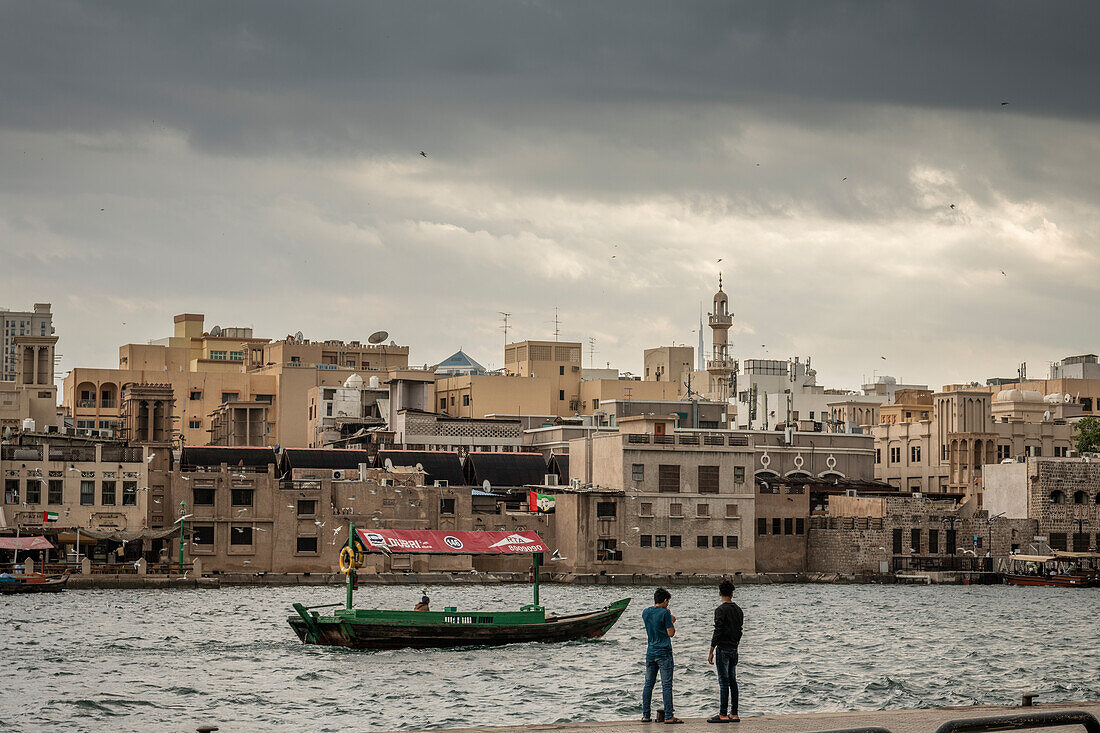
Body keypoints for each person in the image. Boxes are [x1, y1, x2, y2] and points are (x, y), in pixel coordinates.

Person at [641, 587, 682, 724]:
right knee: (666, 685)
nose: (668, 604)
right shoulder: (665, 613)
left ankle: (646, 715)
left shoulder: (645, 612)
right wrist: (671, 621)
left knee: (648, 684)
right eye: (668, 602)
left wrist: (668, 618)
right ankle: (669, 716)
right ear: (665, 600)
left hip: (650, 651)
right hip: (664, 652)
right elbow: (670, 633)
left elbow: (655, 625)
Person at [707, 579, 744, 723]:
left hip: (723, 649)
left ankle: (722, 713)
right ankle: (734, 713)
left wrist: (711, 650)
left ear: (719, 593)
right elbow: (739, 631)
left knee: (723, 682)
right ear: (732, 594)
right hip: (734, 648)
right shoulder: (738, 610)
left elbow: (718, 631)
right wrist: (735, 645)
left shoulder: (720, 610)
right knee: (733, 681)